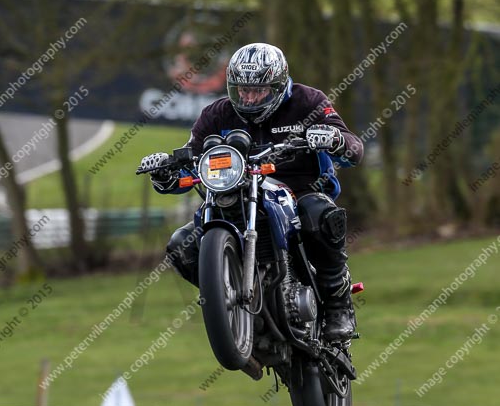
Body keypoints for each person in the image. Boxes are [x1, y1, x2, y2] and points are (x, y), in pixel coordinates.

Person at [146, 42, 363, 341]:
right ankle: (230, 303)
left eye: (257, 90)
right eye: (241, 90)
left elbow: (353, 148)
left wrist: (334, 140)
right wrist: (166, 173)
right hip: (234, 195)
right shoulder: (216, 115)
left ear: (278, 84)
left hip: (301, 192)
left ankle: (338, 305)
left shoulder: (308, 102)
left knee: (319, 214)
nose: (248, 98)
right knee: (182, 243)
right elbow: (193, 159)